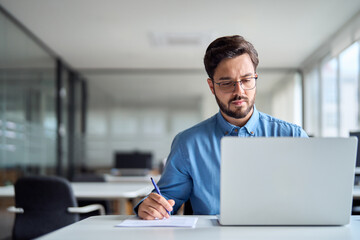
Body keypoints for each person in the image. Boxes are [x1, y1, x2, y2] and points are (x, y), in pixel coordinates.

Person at [135, 35, 308, 220]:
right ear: (212, 86)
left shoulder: (293, 136)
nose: (239, 91)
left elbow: (313, 195)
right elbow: (167, 199)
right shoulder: (188, 144)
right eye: (226, 83)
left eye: (247, 80)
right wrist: (150, 206)